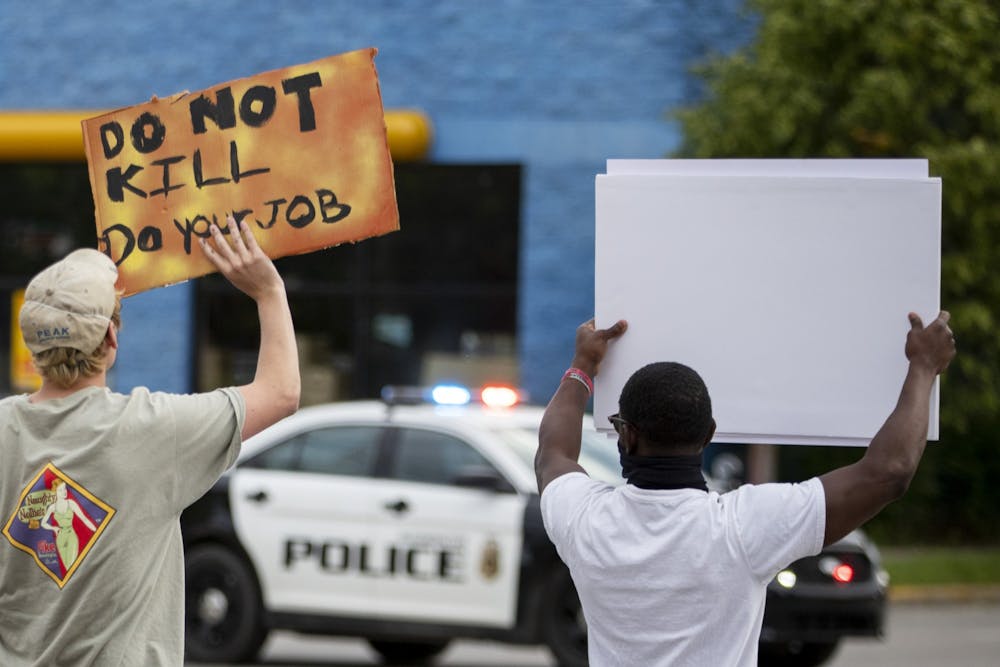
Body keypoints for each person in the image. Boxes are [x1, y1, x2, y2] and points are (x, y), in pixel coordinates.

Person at [536, 314, 955, 666]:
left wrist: (582, 365)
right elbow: (888, 472)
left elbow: (553, 453)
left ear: (625, 435)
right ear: (708, 436)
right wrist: (922, 368)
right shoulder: (743, 526)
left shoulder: (584, 520)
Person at [0, 216, 300, 666]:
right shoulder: (154, 429)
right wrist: (268, 292)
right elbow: (281, 392)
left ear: (34, 347)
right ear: (111, 337)